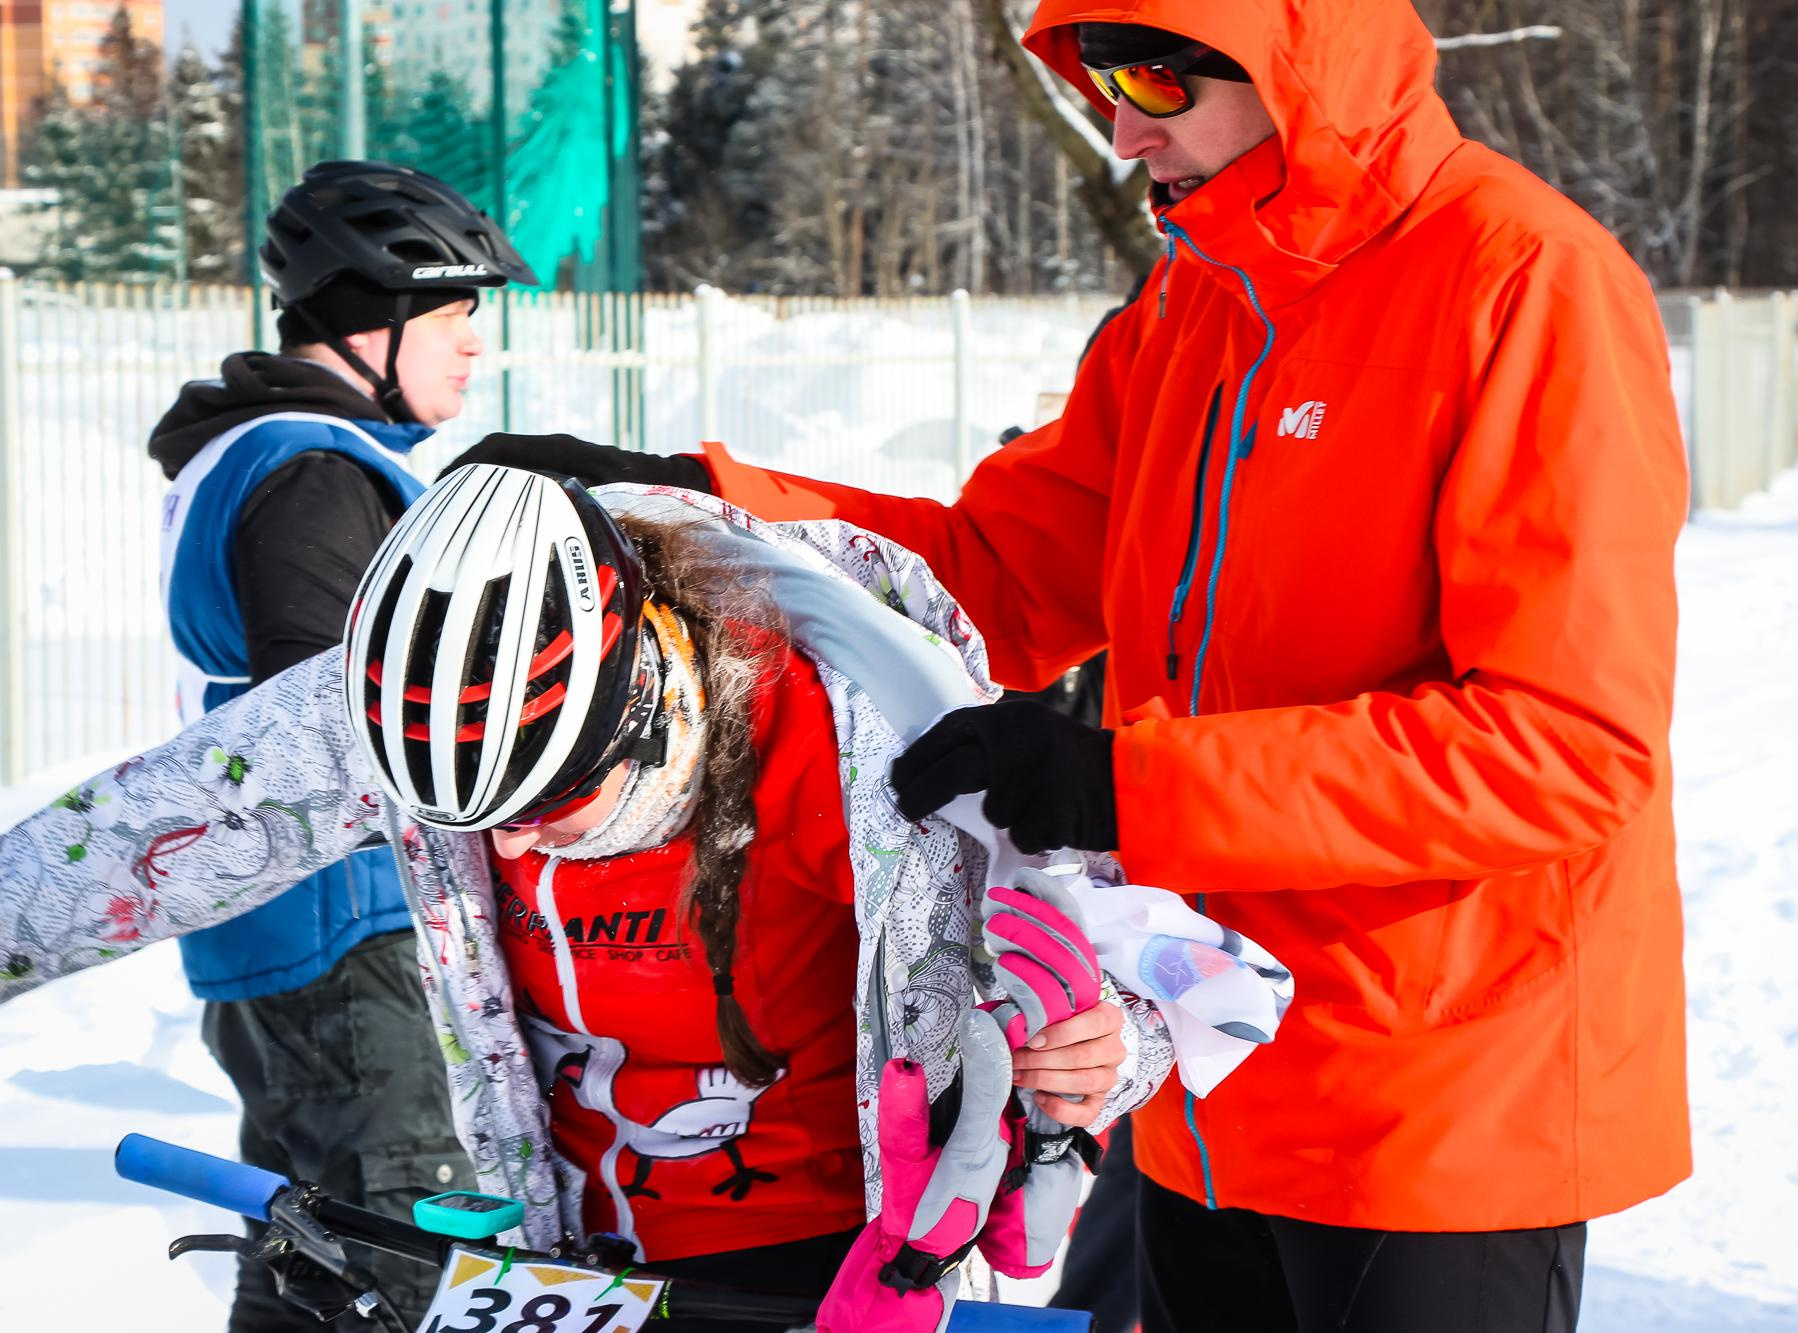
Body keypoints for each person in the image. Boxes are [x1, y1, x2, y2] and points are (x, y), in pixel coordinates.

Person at [456, 2, 1695, 1328]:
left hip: (1438, 1101)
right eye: (1101, 78)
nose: (1120, 130)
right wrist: (700, 506)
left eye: (1154, 77)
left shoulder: (1522, 280)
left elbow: (1563, 748)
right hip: (1200, 1069)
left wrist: (1123, 787)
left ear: (1299, 52)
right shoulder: (1196, 299)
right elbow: (998, 572)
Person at [1, 467, 1234, 1331]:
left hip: (835, 1260)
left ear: (641, 699)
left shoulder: (857, 733)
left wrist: (1105, 1048)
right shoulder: (419, 693)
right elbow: (136, 837)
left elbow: (1160, 958)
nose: (510, 842)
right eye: (467, 817)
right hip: (564, 1249)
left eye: (549, 798)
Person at [144, 158, 537, 1329]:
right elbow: (330, 722)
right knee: (402, 1257)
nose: (473, 344)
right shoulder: (312, 469)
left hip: (287, 925)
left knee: (312, 1262)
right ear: (377, 320)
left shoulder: (266, 450)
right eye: (454, 315)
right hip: (343, 931)